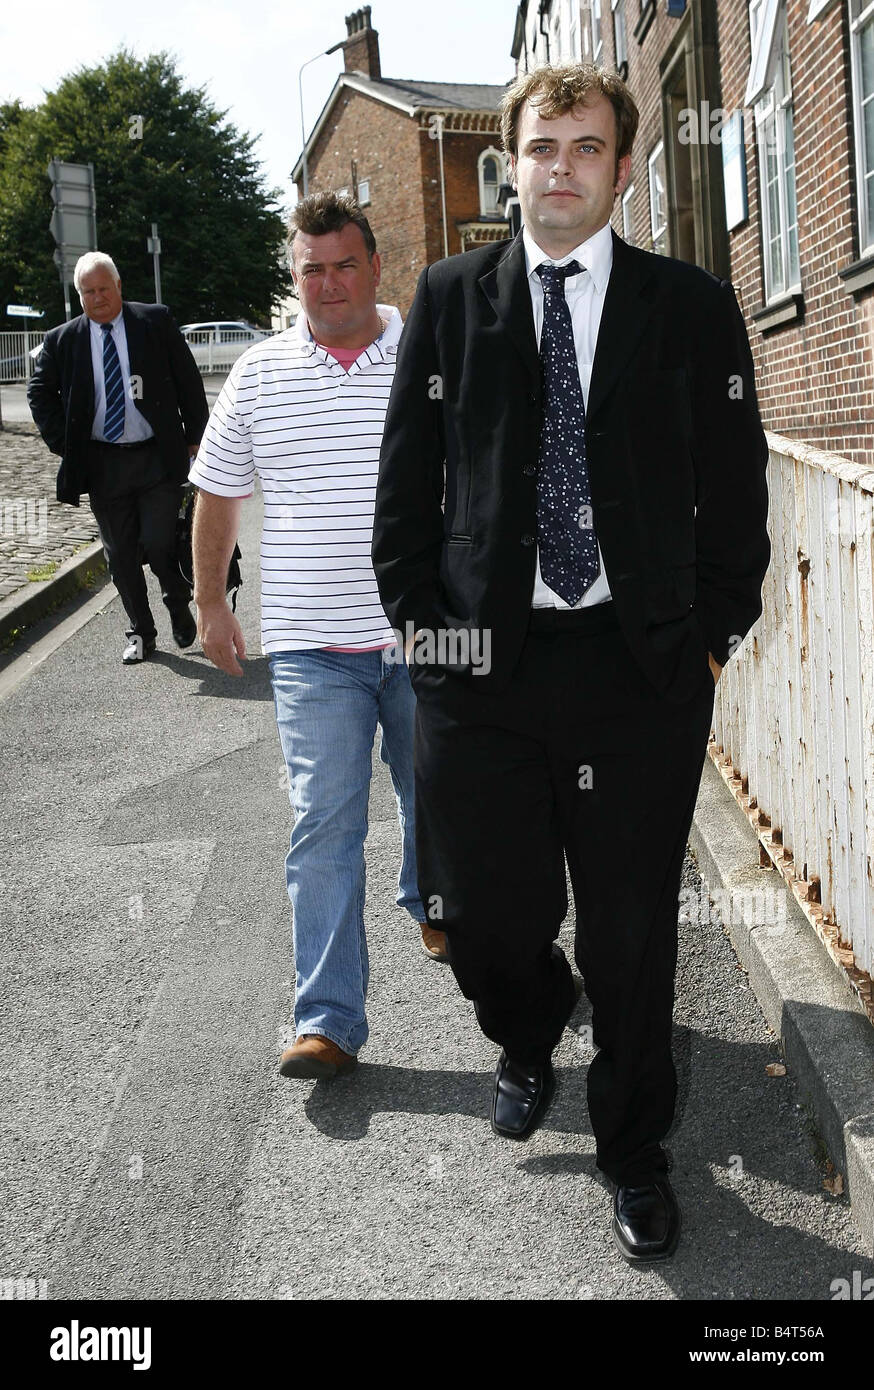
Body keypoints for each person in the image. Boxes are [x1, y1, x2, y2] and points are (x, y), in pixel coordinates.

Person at [372, 63, 771, 1264]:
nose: (561, 168)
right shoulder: (446, 299)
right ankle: (529, 1020)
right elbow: (405, 494)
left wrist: (706, 635)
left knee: (633, 934)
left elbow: (737, 494)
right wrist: (428, 645)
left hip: (634, 671)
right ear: (511, 164)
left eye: (587, 149)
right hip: (479, 670)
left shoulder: (690, 307)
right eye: (542, 147)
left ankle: (634, 1152)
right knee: (485, 919)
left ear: (623, 167)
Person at [190, 191, 447, 1083]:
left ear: (376, 267)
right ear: (292, 278)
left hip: (423, 639)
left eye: (344, 264)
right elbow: (218, 494)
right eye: (312, 268)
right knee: (323, 822)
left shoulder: (429, 354)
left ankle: (431, 894)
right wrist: (211, 603)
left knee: (437, 798)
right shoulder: (258, 374)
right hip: (308, 647)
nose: (330, 283)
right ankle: (328, 1019)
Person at [27, 252, 207, 664]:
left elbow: (187, 380)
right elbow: (39, 395)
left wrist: (197, 437)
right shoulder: (63, 340)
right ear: (80, 296)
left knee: (161, 543)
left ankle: (177, 603)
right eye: (88, 292)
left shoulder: (154, 321)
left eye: (104, 289)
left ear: (119, 287)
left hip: (157, 458)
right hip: (103, 464)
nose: (97, 298)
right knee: (120, 555)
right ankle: (141, 633)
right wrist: (66, 445)